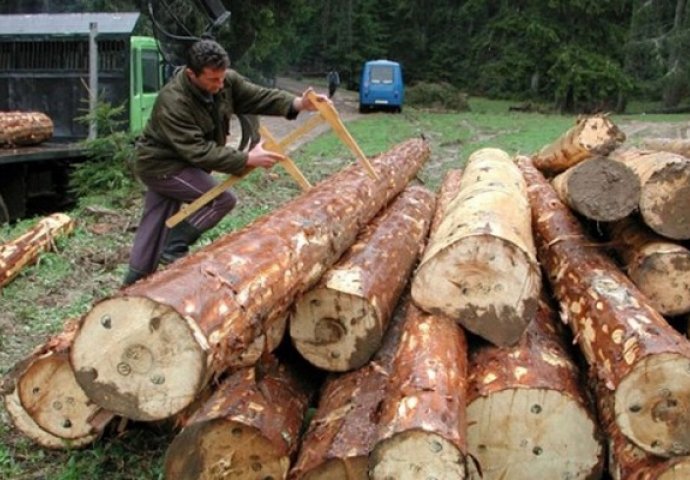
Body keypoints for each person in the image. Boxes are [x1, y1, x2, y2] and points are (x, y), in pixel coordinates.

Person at [122, 39, 329, 286]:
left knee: (154, 225)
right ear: (191, 74)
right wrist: (246, 159)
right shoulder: (174, 101)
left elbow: (259, 97)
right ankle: (173, 246)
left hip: (181, 161)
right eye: (212, 80)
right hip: (162, 166)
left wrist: (299, 104)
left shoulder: (226, 81)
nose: (219, 85)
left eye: (221, 78)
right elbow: (198, 152)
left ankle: (132, 286)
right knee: (220, 199)